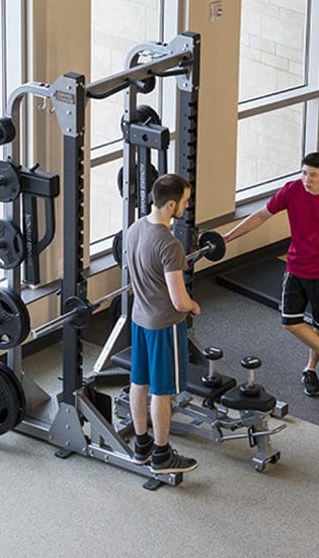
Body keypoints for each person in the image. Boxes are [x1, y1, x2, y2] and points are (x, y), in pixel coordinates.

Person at [223, 152, 319, 397]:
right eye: (304, 173)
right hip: (295, 267)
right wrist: (230, 236)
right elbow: (262, 215)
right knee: (290, 323)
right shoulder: (292, 190)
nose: (307, 179)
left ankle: (310, 369)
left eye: (313, 175)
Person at [126, 173, 200, 473]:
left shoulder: (133, 230)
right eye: (184, 202)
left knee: (138, 382)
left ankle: (141, 445)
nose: (186, 206)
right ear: (171, 205)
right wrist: (194, 306)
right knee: (162, 390)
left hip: (139, 319)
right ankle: (161, 454)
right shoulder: (169, 245)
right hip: (164, 325)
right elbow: (179, 301)